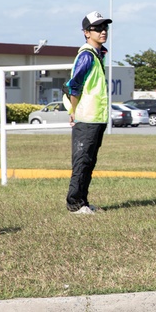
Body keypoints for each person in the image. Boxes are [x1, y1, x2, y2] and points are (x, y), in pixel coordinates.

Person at [64, 11, 112, 214]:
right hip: (86, 118)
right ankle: (74, 204)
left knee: (89, 162)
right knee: (82, 161)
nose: (103, 31)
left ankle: (83, 202)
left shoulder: (97, 55)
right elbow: (74, 86)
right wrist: (73, 111)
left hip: (97, 118)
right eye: (98, 28)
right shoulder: (86, 56)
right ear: (86, 32)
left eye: (105, 27)